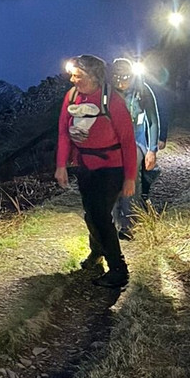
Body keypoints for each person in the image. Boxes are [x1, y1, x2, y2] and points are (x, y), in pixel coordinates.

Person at [54, 54, 138, 289]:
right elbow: (63, 132)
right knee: (91, 213)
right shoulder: (71, 97)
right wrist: (61, 165)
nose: (72, 79)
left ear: (92, 76)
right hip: (85, 165)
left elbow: (128, 142)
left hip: (112, 167)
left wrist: (130, 177)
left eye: (78, 75)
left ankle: (118, 269)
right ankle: (97, 251)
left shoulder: (112, 102)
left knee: (100, 215)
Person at [110, 58, 161, 237]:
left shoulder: (143, 91)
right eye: (116, 76)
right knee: (111, 183)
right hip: (111, 145)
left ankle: (128, 224)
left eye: (125, 77)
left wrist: (152, 149)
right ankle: (111, 224)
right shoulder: (106, 92)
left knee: (131, 181)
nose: (120, 81)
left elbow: (153, 121)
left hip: (136, 143)